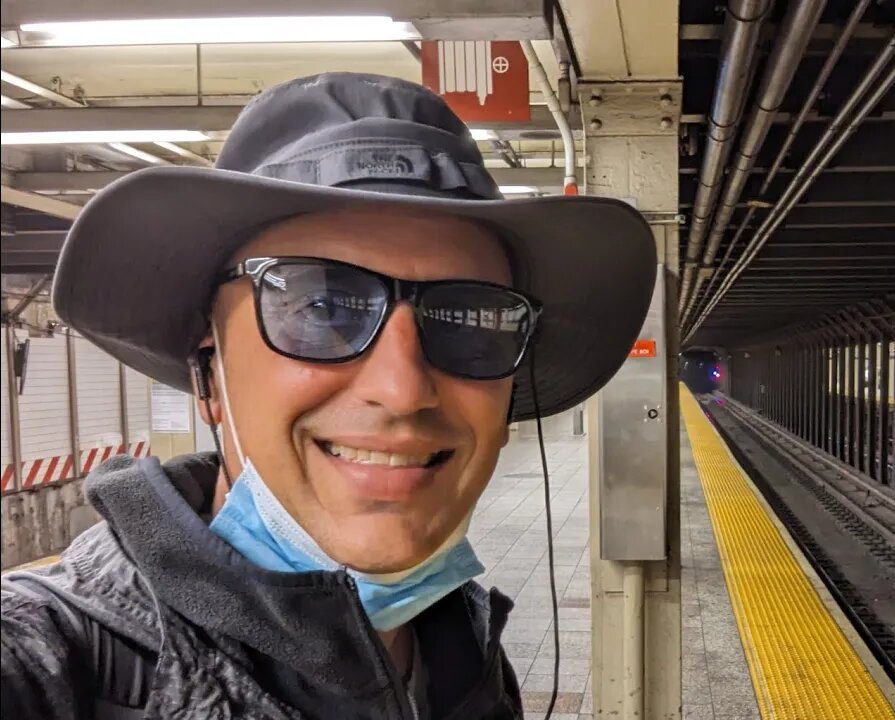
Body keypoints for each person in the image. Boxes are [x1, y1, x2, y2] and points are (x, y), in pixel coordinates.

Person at [0, 72, 656, 719]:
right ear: (212, 375)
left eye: (469, 319)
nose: (402, 390)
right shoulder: (55, 657)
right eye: (318, 307)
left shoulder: (462, 652)